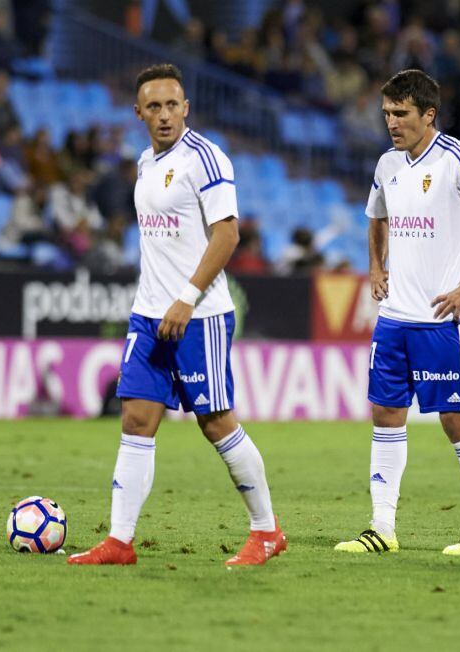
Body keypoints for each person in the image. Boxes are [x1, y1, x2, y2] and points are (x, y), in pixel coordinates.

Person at [68, 63, 286, 567]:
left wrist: (186, 297)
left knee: (216, 423)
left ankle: (267, 531)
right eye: (154, 107)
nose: (164, 115)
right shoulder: (145, 162)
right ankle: (119, 542)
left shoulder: (207, 160)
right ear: (138, 112)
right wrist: (161, 301)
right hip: (149, 315)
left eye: (173, 105)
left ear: (186, 107)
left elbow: (227, 234)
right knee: (136, 419)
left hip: (200, 315)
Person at [335, 69, 460, 557]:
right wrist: (377, 265)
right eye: (387, 114)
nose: (392, 123)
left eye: (401, 114)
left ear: (428, 114)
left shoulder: (457, 159)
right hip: (395, 317)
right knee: (385, 413)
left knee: (456, 420)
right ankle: (381, 528)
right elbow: (377, 217)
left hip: (443, 319)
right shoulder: (387, 165)